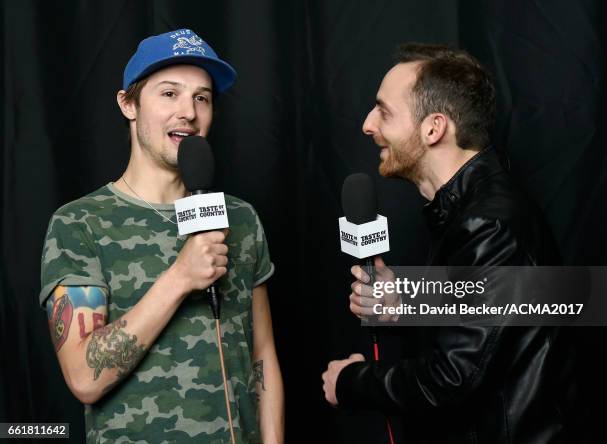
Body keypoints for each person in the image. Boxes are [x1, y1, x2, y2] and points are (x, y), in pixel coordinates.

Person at [322, 43, 576, 443]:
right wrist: (405, 305)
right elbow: (488, 322)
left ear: (433, 128)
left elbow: (454, 378)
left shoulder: (489, 222)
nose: (367, 125)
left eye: (384, 112)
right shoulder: (469, 209)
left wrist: (352, 382)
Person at [40, 29, 284, 443]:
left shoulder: (239, 218)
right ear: (128, 104)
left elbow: (261, 356)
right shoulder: (79, 223)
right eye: (169, 94)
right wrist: (180, 278)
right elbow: (84, 376)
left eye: (201, 98)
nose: (187, 112)